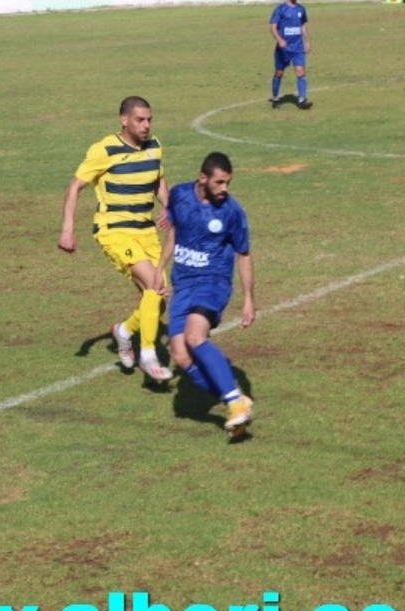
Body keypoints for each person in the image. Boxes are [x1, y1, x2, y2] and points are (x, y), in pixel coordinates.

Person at [59, 96, 172, 382]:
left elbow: (158, 180)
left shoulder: (154, 147)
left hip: (147, 231)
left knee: (157, 301)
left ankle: (124, 331)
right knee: (155, 284)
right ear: (124, 120)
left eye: (149, 120)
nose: (146, 125)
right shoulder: (104, 149)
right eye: (140, 120)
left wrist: (169, 207)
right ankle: (147, 354)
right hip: (115, 231)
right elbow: (75, 186)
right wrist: (67, 229)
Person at [155, 152, 255, 435]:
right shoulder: (180, 196)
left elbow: (244, 255)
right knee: (181, 356)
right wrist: (159, 267)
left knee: (194, 336)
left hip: (213, 282)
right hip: (183, 284)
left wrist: (249, 298)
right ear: (203, 179)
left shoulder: (232, 212)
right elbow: (174, 232)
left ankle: (235, 403)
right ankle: (234, 398)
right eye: (220, 182)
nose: (225, 189)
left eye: (228, 183)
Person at [269, 0, 313, 110]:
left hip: (298, 47)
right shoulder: (280, 9)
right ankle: (275, 98)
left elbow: (303, 26)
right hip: (284, 48)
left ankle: (302, 100)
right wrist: (279, 40)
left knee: (301, 71)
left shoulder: (301, 9)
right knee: (279, 73)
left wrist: (307, 41)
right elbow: (273, 28)